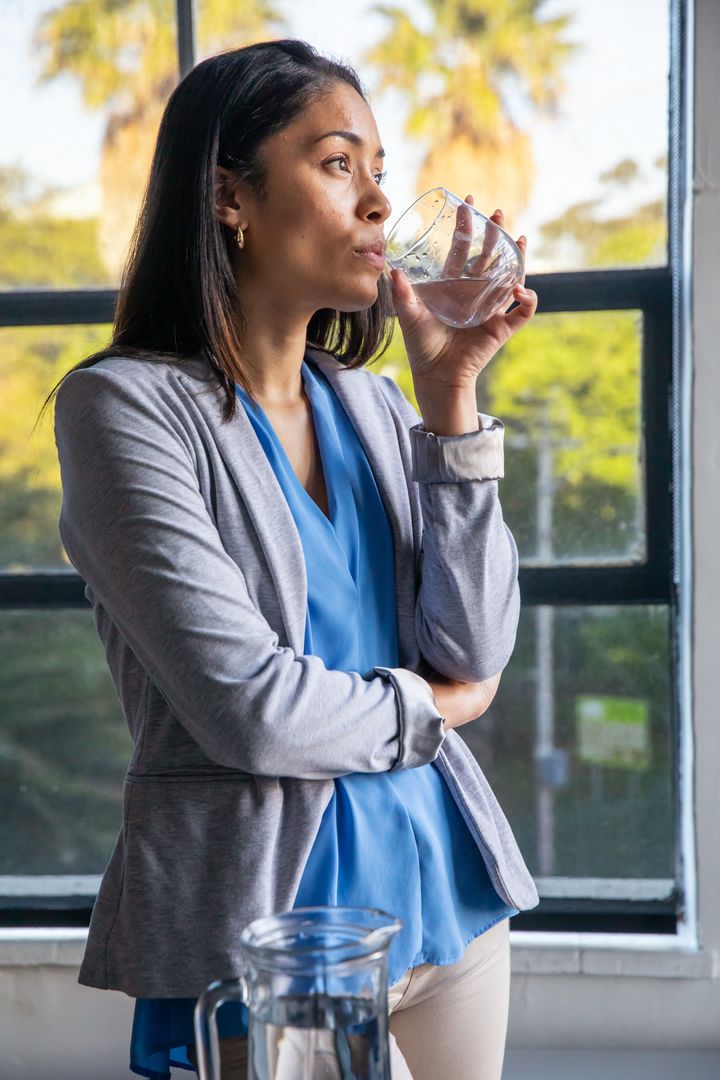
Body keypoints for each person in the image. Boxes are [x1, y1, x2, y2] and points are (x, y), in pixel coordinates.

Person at [43, 38, 539, 1080]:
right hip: (274, 936)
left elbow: (477, 638)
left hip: (446, 895)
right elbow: (251, 709)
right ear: (231, 198)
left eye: (379, 171)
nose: (376, 203)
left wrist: (450, 409)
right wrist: (440, 706)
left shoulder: (372, 401)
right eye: (336, 162)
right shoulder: (123, 411)